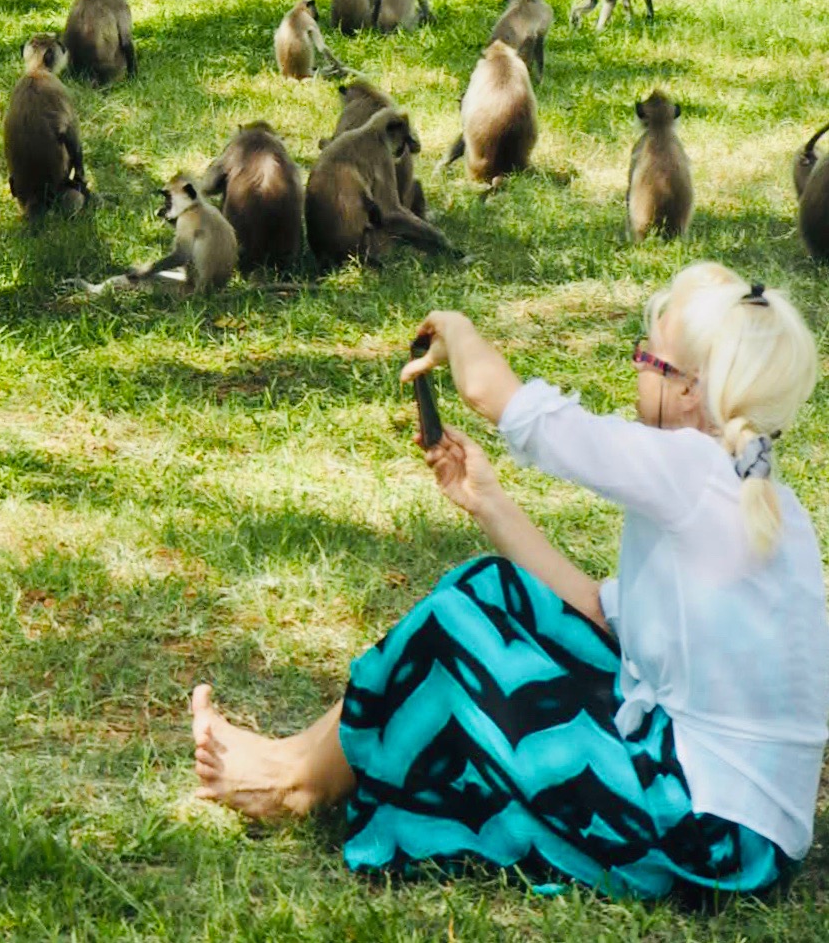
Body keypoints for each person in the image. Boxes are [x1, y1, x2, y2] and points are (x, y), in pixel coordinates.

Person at [190, 264, 827, 900]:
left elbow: (526, 415)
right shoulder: (750, 490)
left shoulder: (694, 468)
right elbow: (597, 617)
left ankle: (295, 781)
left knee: (454, 628)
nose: (636, 368)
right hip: (736, 829)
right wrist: (487, 501)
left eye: (646, 358)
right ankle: (301, 765)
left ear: (689, 389)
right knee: (489, 588)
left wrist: (457, 331)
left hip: (708, 837)